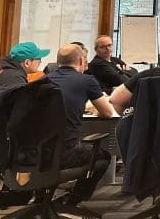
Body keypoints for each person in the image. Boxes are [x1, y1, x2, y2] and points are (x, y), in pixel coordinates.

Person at [45, 43, 113, 205]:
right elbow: (107, 113)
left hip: (35, 153)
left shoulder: (42, 80)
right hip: (66, 153)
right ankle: (74, 200)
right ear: (82, 61)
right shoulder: (86, 80)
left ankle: (43, 198)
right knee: (104, 157)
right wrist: (95, 110)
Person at [0, 41, 50, 149]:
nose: (40, 62)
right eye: (38, 59)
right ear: (27, 62)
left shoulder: (1, 73)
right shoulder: (15, 79)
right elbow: (20, 112)